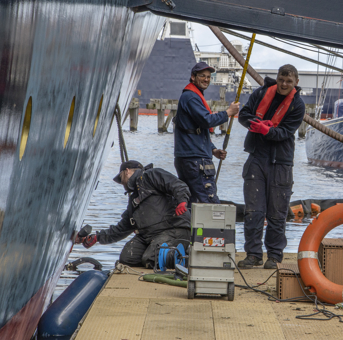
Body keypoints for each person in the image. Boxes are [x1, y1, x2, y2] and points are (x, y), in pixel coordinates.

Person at [237, 64, 305, 269]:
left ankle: (274, 256)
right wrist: (253, 125)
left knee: (277, 213)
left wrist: (266, 131)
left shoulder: (298, 105)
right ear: (277, 78)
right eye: (281, 80)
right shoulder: (260, 93)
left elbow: (285, 132)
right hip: (256, 159)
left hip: (281, 164)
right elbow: (243, 115)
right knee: (253, 211)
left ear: (295, 83)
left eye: (289, 81)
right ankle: (253, 254)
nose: (284, 84)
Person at [77, 160, 191, 268]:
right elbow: (122, 228)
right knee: (127, 258)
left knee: (151, 257)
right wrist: (98, 237)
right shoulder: (133, 201)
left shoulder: (151, 175)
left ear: (127, 171)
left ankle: (183, 259)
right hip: (149, 236)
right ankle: (157, 258)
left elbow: (178, 185)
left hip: (173, 229)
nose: (121, 182)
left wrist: (182, 201)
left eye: (120, 177)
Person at [174, 62, 240, 206]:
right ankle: (212, 229)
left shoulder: (192, 96)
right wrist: (228, 113)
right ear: (193, 77)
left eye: (209, 77)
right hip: (195, 162)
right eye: (202, 76)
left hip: (188, 159)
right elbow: (206, 121)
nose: (206, 79)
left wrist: (213, 150)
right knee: (209, 203)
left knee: (191, 203)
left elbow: (196, 132)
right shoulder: (191, 97)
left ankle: (190, 228)